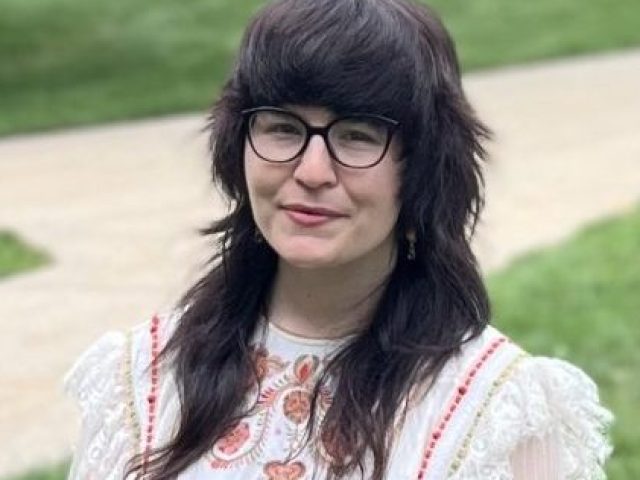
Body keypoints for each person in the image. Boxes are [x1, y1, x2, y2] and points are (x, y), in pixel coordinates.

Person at [63, 0, 614, 479]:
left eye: (356, 136)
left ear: (420, 167)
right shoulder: (141, 381)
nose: (312, 170)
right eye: (282, 126)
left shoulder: (495, 411)